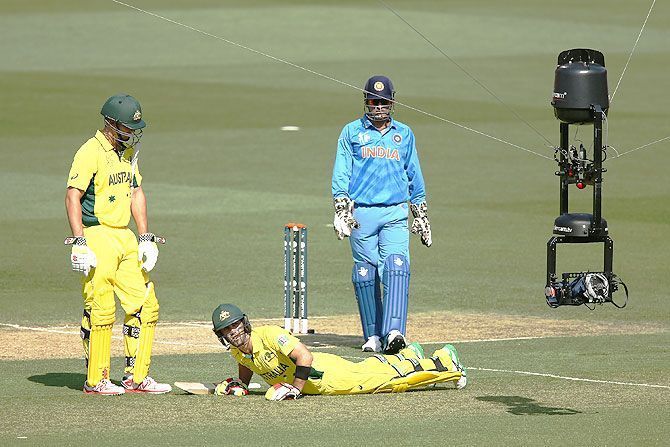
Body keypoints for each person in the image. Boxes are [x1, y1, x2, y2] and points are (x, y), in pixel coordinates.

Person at [65, 93, 171, 395]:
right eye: (127, 127)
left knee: (146, 305)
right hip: (97, 234)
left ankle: (137, 377)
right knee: (101, 308)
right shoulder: (89, 152)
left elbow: (136, 192)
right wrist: (79, 241)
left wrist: (145, 237)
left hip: (124, 236)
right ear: (110, 124)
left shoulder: (127, 153)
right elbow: (73, 194)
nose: (132, 132)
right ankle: (96, 379)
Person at [331, 75, 432, 354]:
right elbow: (342, 170)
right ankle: (373, 335)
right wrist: (341, 206)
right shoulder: (351, 132)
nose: (378, 107)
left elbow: (414, 173)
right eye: (373, 101)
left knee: (397, 265)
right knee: (365, 273)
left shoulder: (404, 134)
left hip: (395, 212)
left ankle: (395, 331)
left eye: (383, 102)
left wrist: (420, 211)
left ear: (392, 102)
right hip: (362, 213)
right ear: (366, 101)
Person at [210, 303, 466, 400]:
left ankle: (445, 362)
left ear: (244, 322)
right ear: (221, 335)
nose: (233, 331)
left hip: (326, 376)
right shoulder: (238, 350)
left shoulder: (268, 334)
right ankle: (410, 355)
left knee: (389, 381)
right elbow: (248, 362)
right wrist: (241, 383)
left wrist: (295, 389)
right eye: (226, 329)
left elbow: (305, 357)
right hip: (316, 379)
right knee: (377, 368)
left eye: (235, 324)